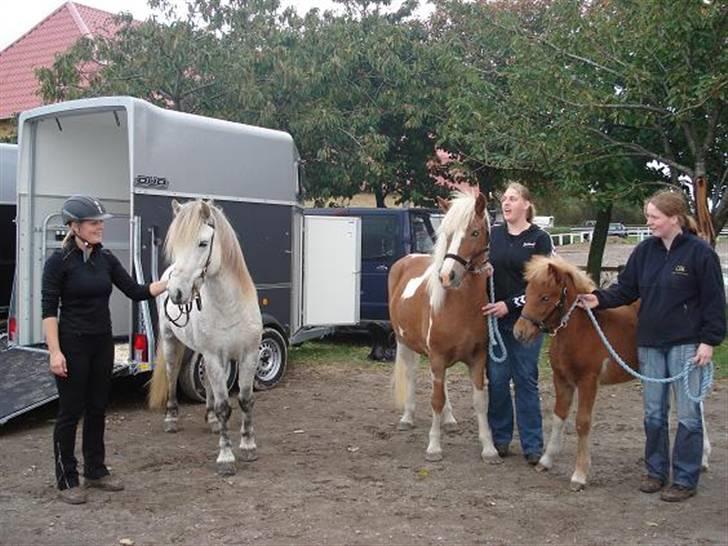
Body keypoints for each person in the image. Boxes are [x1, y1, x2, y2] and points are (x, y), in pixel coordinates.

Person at [579, 190, 726, 502]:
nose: (649, 223)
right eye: (648, 217)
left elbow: (714, 302)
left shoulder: (700, 254)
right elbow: (626, 289)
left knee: (688, 413)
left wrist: (709, 342)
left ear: (673, 218)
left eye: (654, 218)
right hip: (650, 343)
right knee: (654, 412)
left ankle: (685, 478)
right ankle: (655, 471)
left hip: (686, 345)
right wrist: (598, 298)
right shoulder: (645, 251)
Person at [42, 195, 167, 505]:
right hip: (72, 344)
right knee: (71, 412)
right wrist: (55, 352)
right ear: (74, 226)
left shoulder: (106, 259)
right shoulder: (58, 262)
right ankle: (67, 478)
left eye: (100, 222)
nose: (100, 227)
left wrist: (169, 282)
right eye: (93, 223)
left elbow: (136, 292)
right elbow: (48, 312)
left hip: (102, 343)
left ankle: (96, 471)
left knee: (98, 407)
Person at [482, 183, 553, 464]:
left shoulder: (539, 239)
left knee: (526, 380)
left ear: (526, 204)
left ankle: (532, 445)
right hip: (496, 323)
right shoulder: (494, 236)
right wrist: (483, 272)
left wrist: (509, 305)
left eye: (512, 199)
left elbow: (543, 286)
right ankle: (500, 439)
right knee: (498, 381)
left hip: (528, 322)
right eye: (504, 200)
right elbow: (481, 267)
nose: (506, 203)